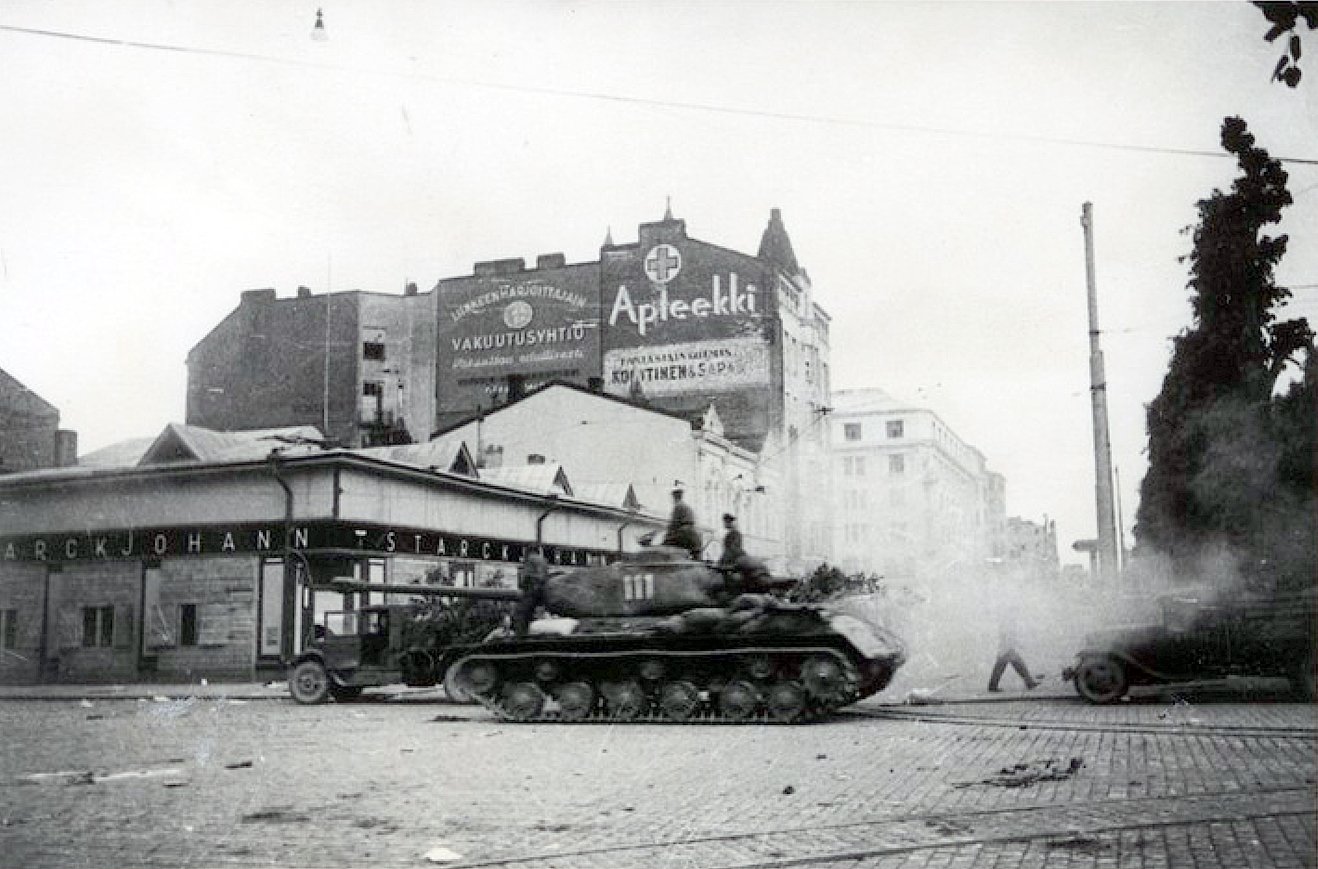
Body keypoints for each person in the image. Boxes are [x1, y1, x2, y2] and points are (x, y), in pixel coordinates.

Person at [988, 605, 1039, 692]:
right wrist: (1016, 644)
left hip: (1006, 648)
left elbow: (1008, 636)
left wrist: (1017, 644)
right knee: (1017, 665)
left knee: (1008, 666)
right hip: (1007, 648)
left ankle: (1029, 682)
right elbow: (1008, 636)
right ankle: (1029, 683)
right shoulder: (1008, 622)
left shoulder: (1007, 621)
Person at [661, 487, 703, 560]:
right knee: (697, 559)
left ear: (674, 497)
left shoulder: (678, 506)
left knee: (663, 548)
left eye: (673, 497)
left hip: (684, 534)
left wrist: (666, 537)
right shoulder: (687, 507)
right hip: (694, 537)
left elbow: (673, 524)